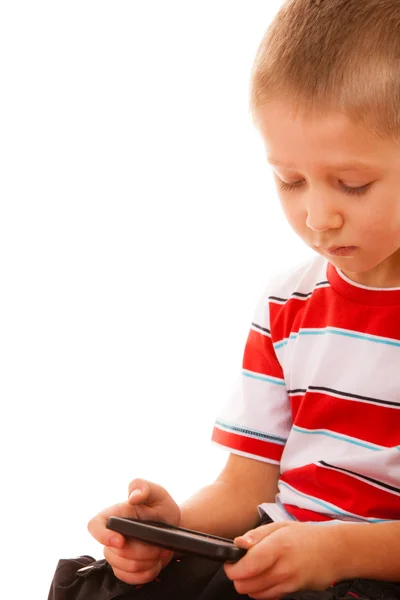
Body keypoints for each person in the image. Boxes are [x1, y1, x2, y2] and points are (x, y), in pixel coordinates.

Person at [49, 1, 400, 598]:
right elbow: (246, 487)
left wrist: (336, 549)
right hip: (279, 554)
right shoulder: (289, 302)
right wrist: (172, 528)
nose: (317, 216)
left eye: (353, 184)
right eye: (290, 181)